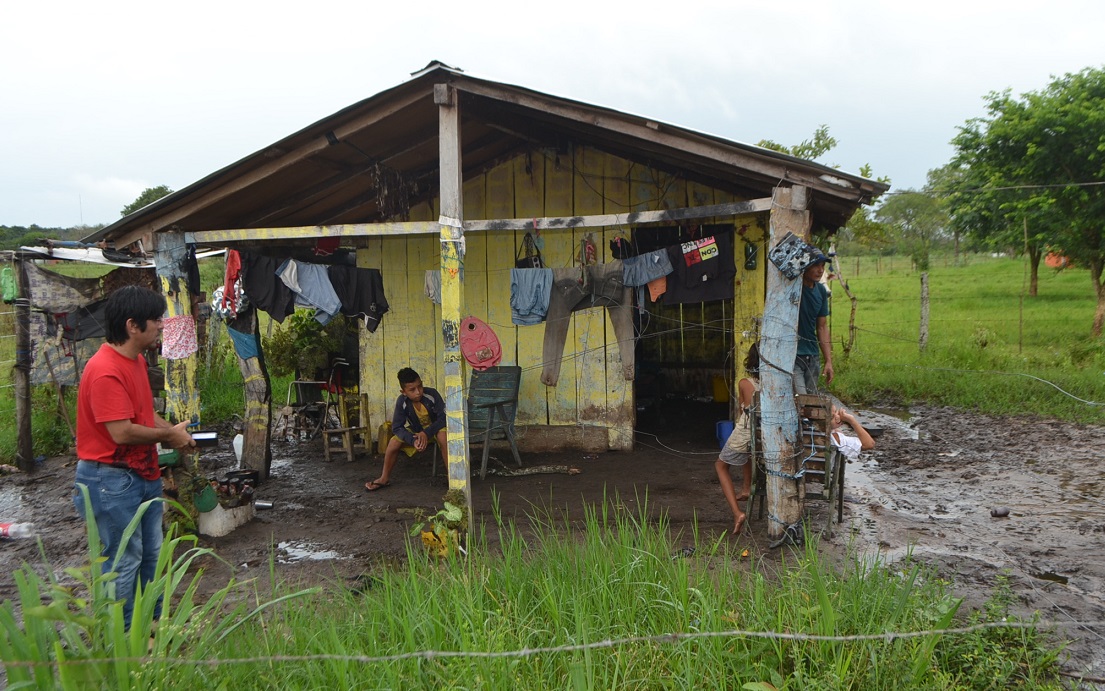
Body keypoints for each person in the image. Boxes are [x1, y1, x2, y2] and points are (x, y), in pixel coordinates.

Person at [73, 286, 196, 629]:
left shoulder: (136, 360)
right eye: (155, 320)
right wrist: (168, 436)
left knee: (151, 556)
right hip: (110, 480)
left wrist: (173, 431)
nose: (161, 325)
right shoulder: (105, 370)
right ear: (132, 325)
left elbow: (141, 414)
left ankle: (152, 626)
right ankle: (124, 639)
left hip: (140, 474)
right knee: (122, 561)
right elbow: (122, 432)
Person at [366, 367, 448, 490]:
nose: (418, 392)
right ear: (403, 392)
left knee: (443, 437)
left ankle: (452, 477)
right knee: (393, 442)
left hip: (436, 429)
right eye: (412, 390)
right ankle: (384, 478)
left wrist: (426, 433)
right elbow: (397, 427)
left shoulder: (432, 394)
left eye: (420, 386)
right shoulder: (402, 402)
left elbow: (443, 419)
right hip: (416, 431)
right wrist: (413, 440)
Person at [715, 344, 760, 536]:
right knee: (748, 452)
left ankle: (737, 513)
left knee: (720, 466)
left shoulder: (745, 383)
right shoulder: (777, 383)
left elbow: (745, 413)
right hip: (764, 436)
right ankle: (746, 487)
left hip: (747, 432)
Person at [795, 250, 833, 394]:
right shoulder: (793, 289)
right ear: (805, 266)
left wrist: (828, 361)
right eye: (815, 265)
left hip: (812, 356)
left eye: (822, 266)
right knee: (800, 398)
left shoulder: (821, 291)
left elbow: (822, 327)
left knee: (811, 402)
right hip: (793, 356)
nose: (820, 270)